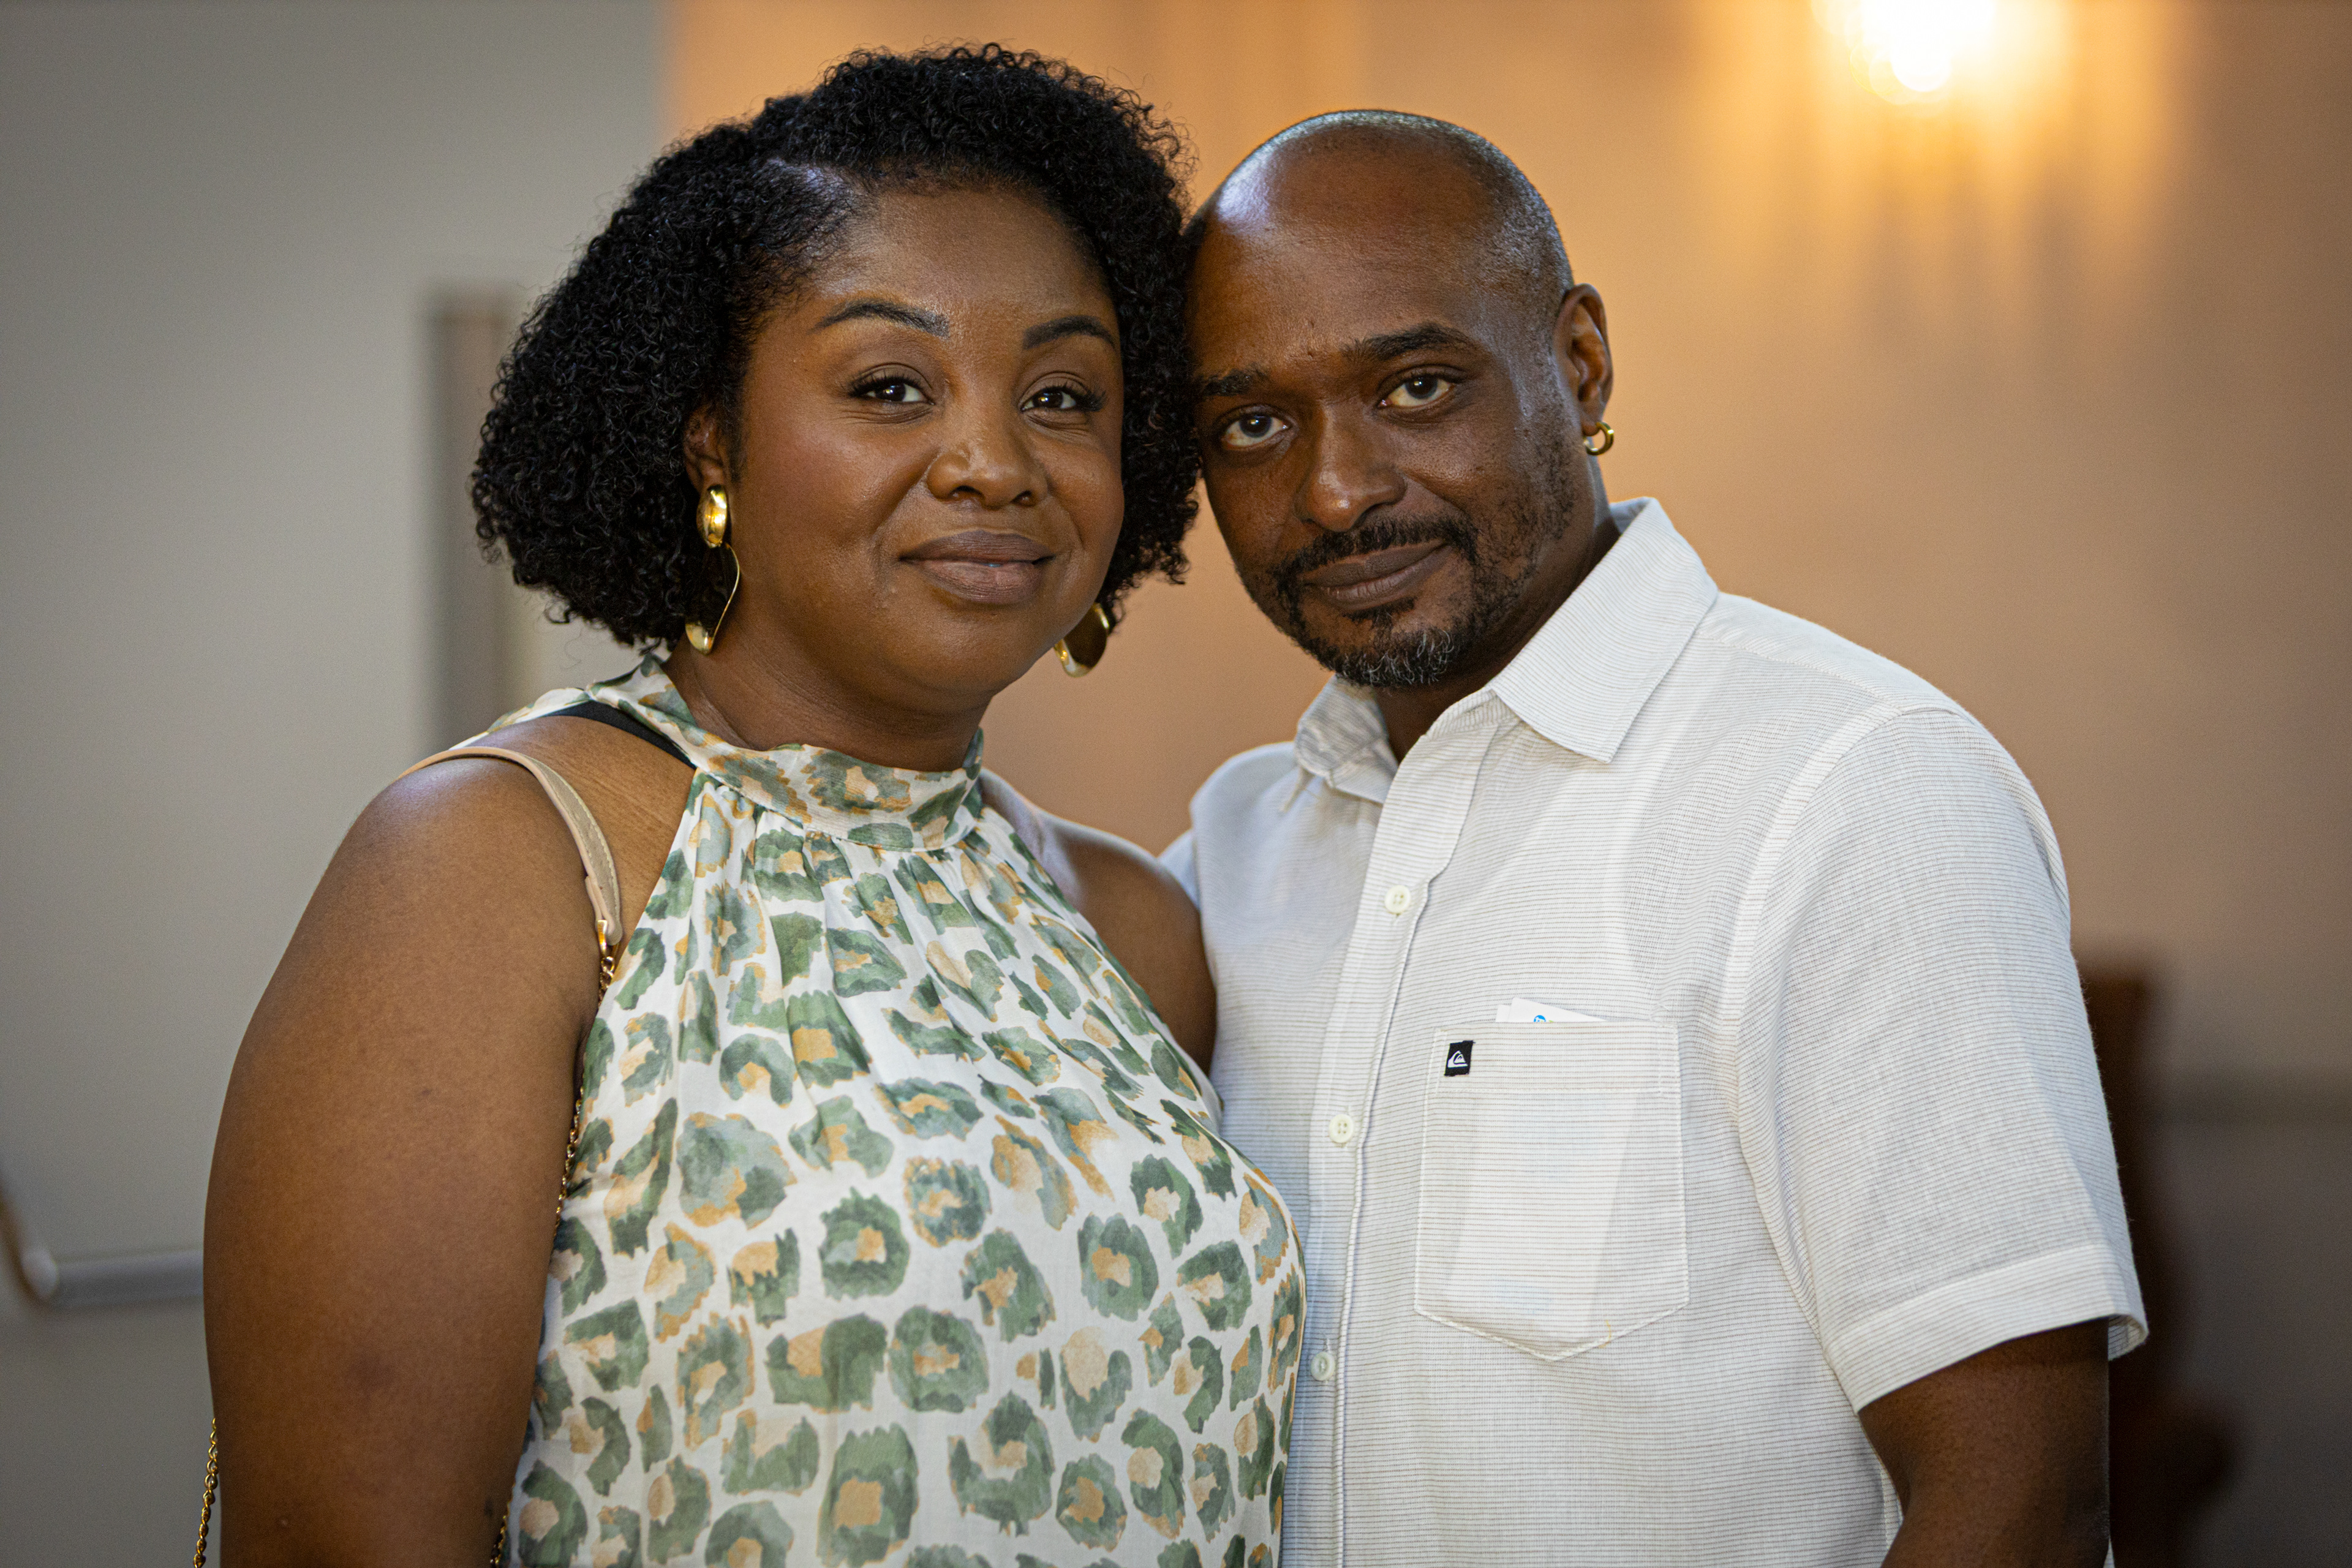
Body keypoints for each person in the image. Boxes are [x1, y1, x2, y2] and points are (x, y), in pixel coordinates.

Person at [204, 48, 1300, 1568]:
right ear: (710, 434)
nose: (995, 462)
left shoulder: (1133, 929)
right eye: (890, 386)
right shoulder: (500, 864)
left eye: (1064, 396)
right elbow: (346, 1532)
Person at [1168, 111, 2144, 1565]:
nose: (1338, 489)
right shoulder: (1227, 854)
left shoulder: (1853, 785)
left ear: (1580, 364)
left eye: (1418, 386)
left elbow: (2022, 1505)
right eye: (1254, 425)